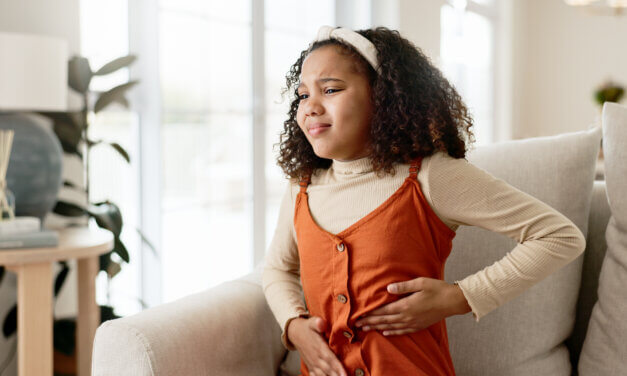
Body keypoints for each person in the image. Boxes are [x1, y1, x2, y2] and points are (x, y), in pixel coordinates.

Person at [262, 25, 586, 376]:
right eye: (303, 95)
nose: (310, 107)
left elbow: (559, 236)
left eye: (330, 89)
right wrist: (294, 326)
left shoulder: (430, 177)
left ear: (382, 97)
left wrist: (459, 297)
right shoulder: (302, 187)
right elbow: (279, 269)